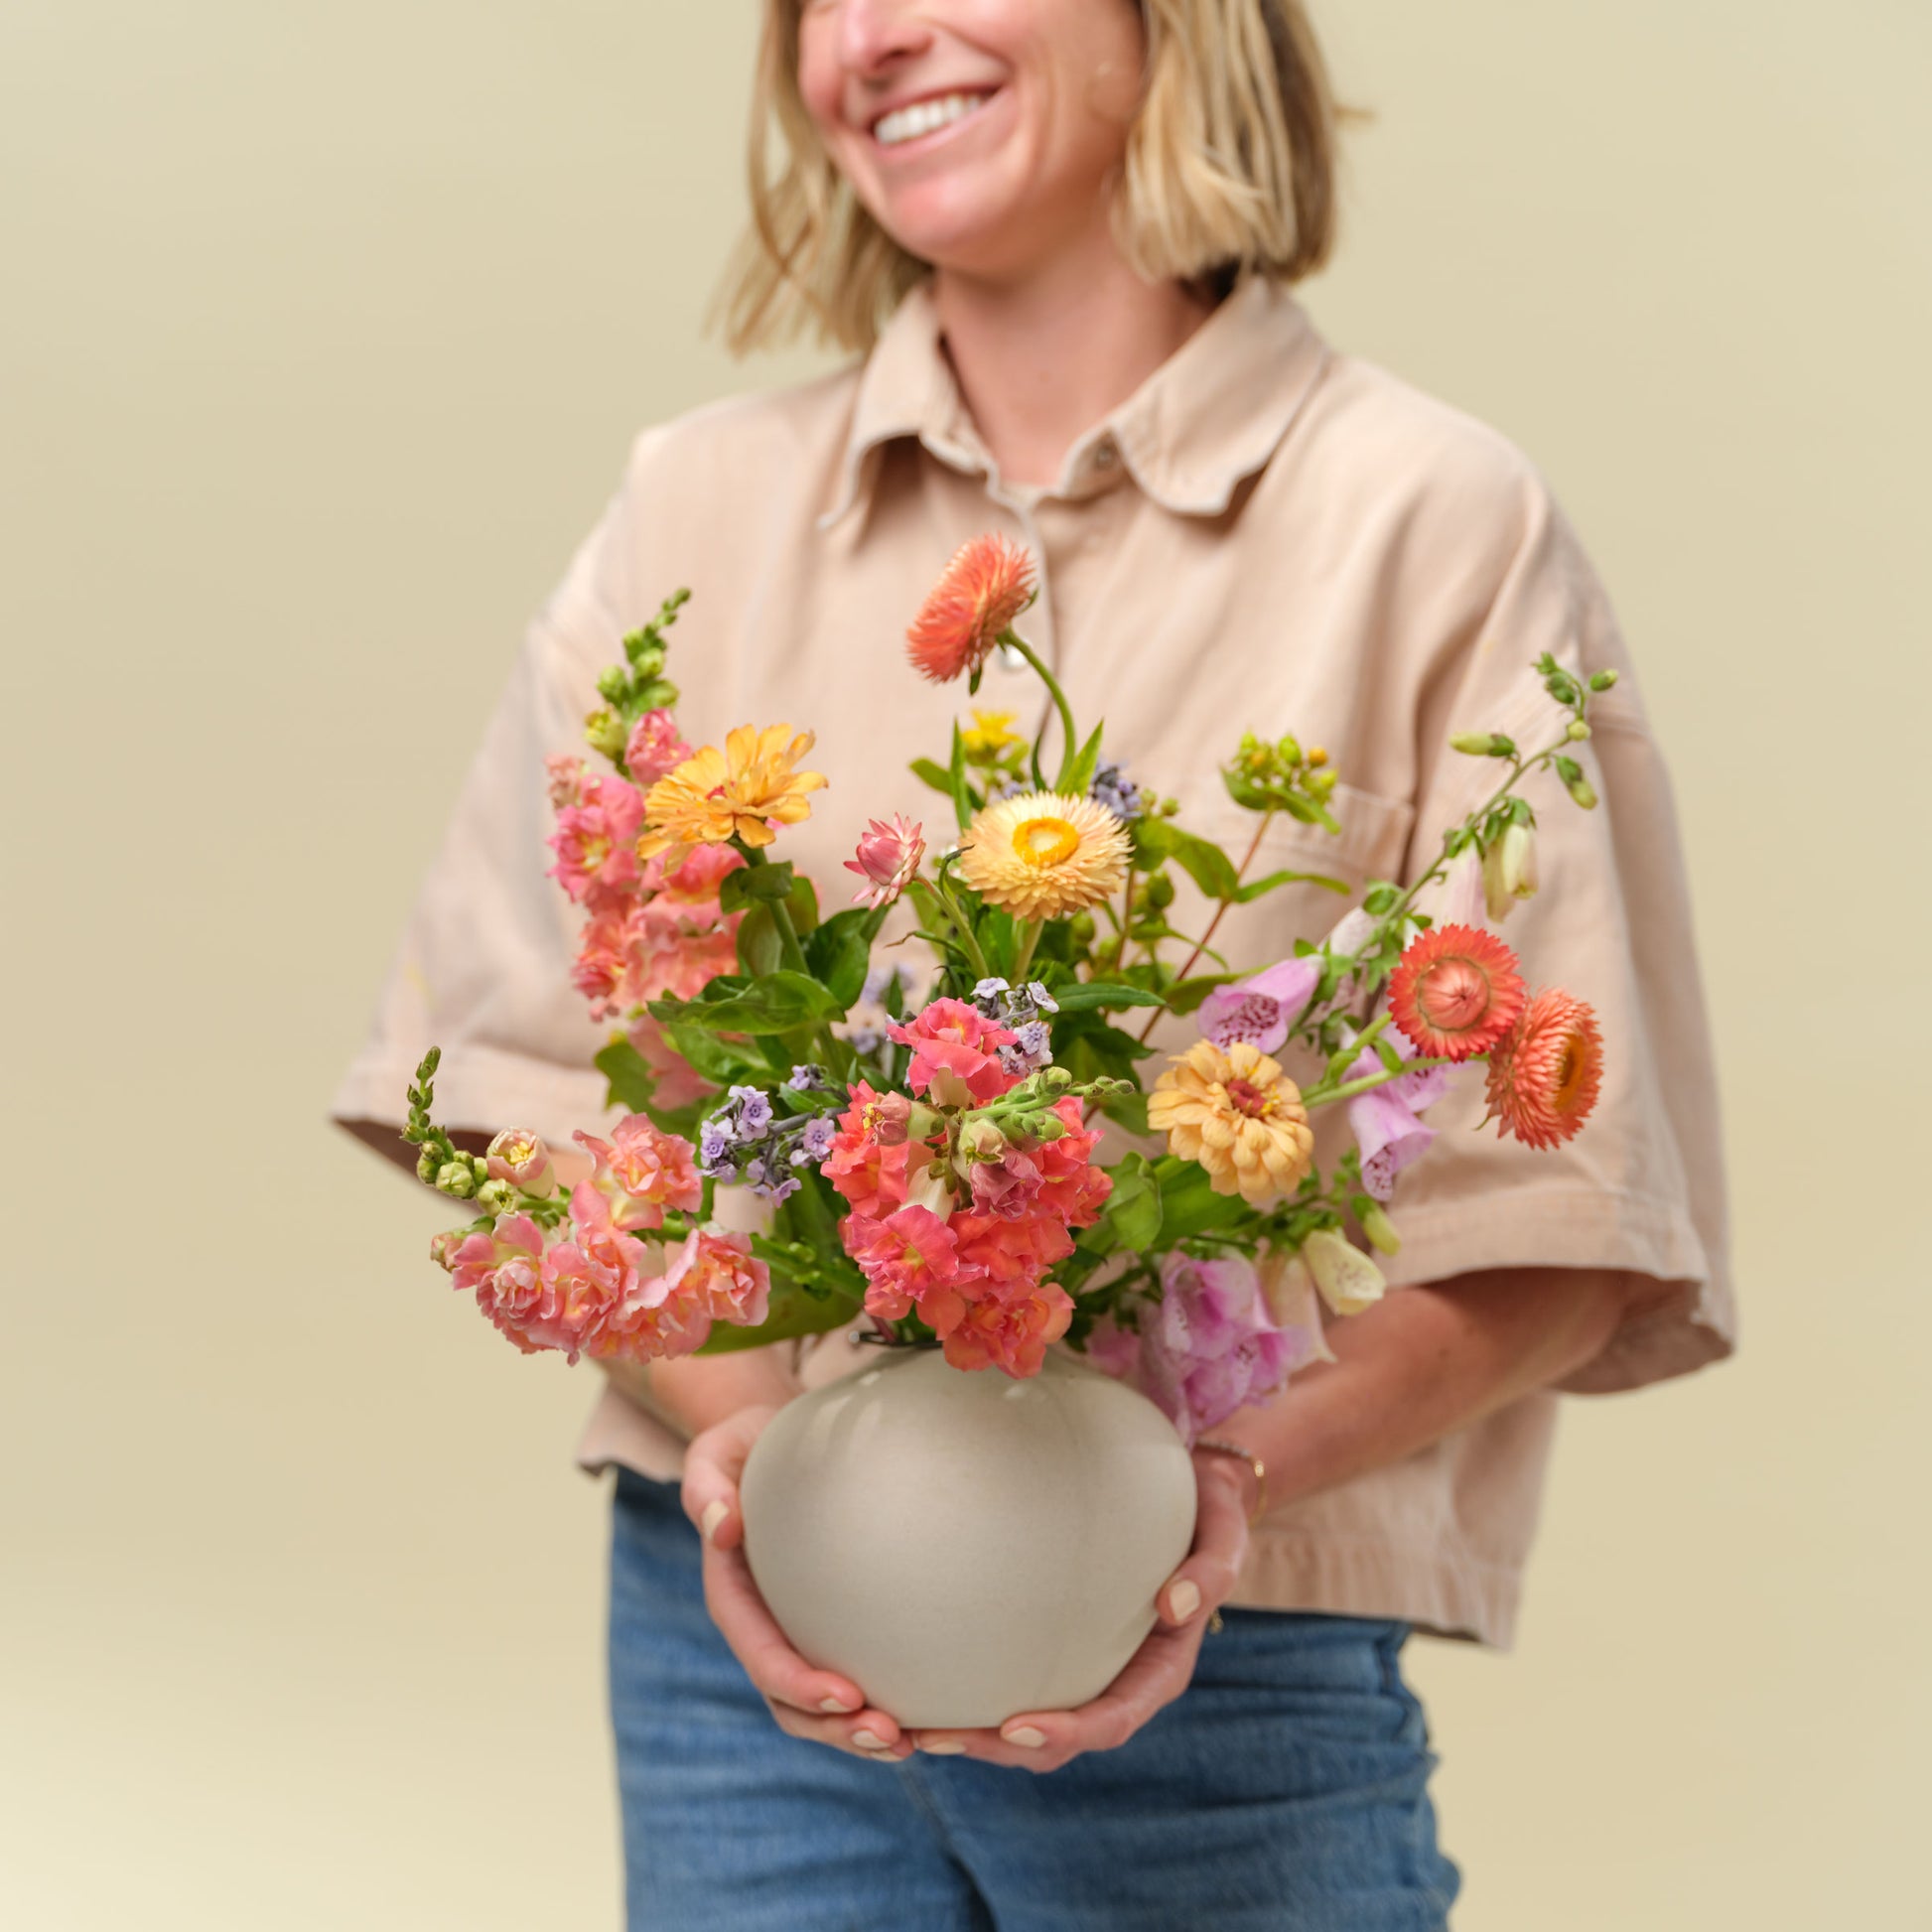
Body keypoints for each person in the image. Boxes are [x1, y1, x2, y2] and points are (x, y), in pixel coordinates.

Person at [333, 1, 1734, 1925]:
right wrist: (769, 1474)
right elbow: (527, 1086)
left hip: (1227, 1662)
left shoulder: (1428, 519)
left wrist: (1194, 1495)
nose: (876, 32)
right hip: (733, 1671)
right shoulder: (693, 507)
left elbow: (1556, 1211)